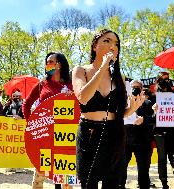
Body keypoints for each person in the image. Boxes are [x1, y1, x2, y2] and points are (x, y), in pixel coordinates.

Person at [72, 29, 144, 189]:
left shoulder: (119, 77)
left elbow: (118, 113)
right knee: (88, 182)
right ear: (94, 46)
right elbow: (83, 97)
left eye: (116, 44)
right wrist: (102, 68)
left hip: (114, 134)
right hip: (89, 133)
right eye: (107, 41)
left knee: (112, 182)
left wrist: (131, 109)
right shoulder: (80, 70)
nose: (112, 46)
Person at [22, 52, 73, 189]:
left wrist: (73, 96)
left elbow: (81, 104)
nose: (47, 64)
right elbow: (26, 105)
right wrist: (31, 125)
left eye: (51, 61)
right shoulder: (42, 84)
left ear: (59, 64)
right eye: (47, 62)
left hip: (65, 136)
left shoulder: (72, 84)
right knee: (40, 174)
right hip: (45, 136)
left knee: (65, 177)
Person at [120, 79, 154, 189]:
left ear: (142, 89)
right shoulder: (123, 103)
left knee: (143, 169)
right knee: (121, 167)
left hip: (142, 140)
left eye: (137, 87)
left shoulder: (148, 103)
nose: (135, 89)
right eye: (133, 87)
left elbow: (154, 120)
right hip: (125, 139)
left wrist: (144, 120)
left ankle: (143, 185)